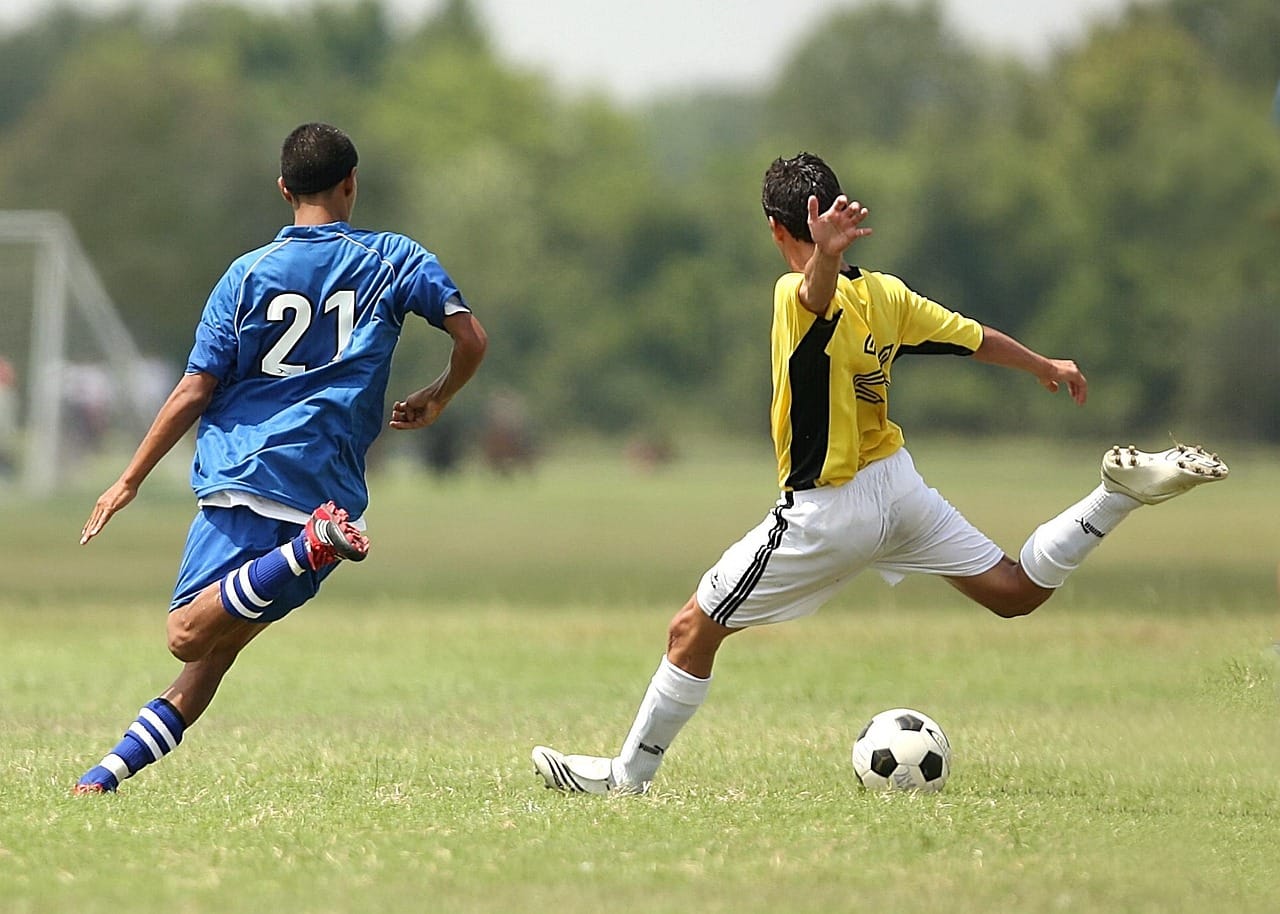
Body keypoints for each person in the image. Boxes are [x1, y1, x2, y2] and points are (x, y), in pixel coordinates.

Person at [532, 151, 1227, 795]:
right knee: (1014, 591)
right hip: (898, 485)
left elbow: (812, 298)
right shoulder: (887, 294)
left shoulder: (792, 293)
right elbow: (971, 337)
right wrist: (1044, 364)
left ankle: (629, 776)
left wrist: (821, 260)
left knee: (692, 630)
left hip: (828, 510)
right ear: (833, 213)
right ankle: (1112, 497)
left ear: (777, 228)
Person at [73, 123, 487, 793]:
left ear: (283, 189)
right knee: (212, 658)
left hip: (247, 475)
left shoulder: (245, 276)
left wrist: (128, 478)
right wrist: (437, 397)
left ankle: (305, 549)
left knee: (185, 635)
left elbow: (194, 389)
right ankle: (104, 777)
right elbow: (471, 339)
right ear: (351, 183)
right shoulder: (394, 258)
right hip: (328, 487)